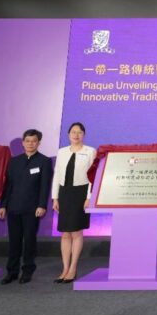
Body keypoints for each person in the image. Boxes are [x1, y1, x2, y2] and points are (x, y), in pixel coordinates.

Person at [0, 129, 53, 284]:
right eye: (27, 141)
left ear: (39, 143)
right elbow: (9, 186)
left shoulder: (44, 161)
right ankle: (12, 272)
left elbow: (44, 186)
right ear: (23, 143)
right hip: (13, 208)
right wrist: (3, 206)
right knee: (14, 241)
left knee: (29, 240)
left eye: (34, 141)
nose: (30, 144)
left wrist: (42, 205)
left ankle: (27, 270)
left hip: (32, 209)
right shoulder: (14, 161)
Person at [52, 122, 95, 284]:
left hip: (80, 193)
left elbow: (92, 176)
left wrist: (89, 197)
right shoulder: (62, 152)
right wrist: (55, 197)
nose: (76, 135)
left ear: (84, 134)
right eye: (73, 132)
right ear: (68, 134)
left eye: (79, 132)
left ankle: (73, 268)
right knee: (65, 233)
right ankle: (64, 268)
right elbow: (57, 175)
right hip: (64, 193)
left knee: (76, 231)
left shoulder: (90, 151)